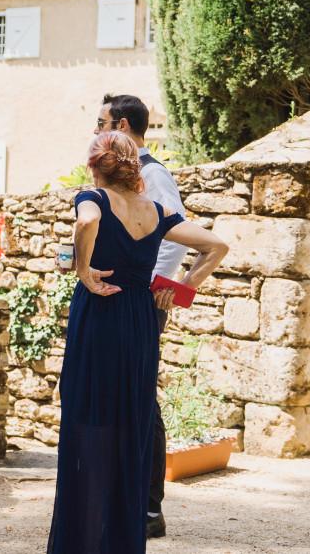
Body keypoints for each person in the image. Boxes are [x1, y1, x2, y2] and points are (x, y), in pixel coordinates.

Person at [46, 131, 227, 554]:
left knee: (87, 416)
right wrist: (182, 287)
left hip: (100, 315)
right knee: (132, 421)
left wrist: (84, 271)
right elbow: (216, 246)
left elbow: (87, 222)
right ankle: (122, 539)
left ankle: (81, 539)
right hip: (140, 321)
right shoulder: (158, 211)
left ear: (94, 166)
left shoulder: (93, 198)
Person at [96, 93, 189, 540]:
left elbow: (177, 234)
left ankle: (150, 506)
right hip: (121, 300)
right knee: (122, 397)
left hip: (141, 302)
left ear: (122, 126)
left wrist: (153, 286)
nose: (96, 131)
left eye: (102, 124)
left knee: (141, 401)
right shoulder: (122, 179)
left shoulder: (153, 175)